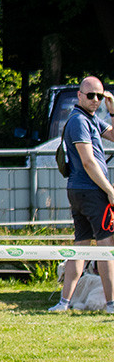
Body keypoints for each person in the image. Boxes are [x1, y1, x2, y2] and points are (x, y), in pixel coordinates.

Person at [49, 76, 114, 314]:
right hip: (91, 192)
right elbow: (88, 162)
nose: (96, 100)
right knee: (107, 247)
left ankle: (63, 303)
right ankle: (111, 304)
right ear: (79, 95)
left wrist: (112, 111)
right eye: (90, 95)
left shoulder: (91, 118)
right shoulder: (79, 121)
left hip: (79, 192)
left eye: (100, 95)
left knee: (81, 247)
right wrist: (109, 189)